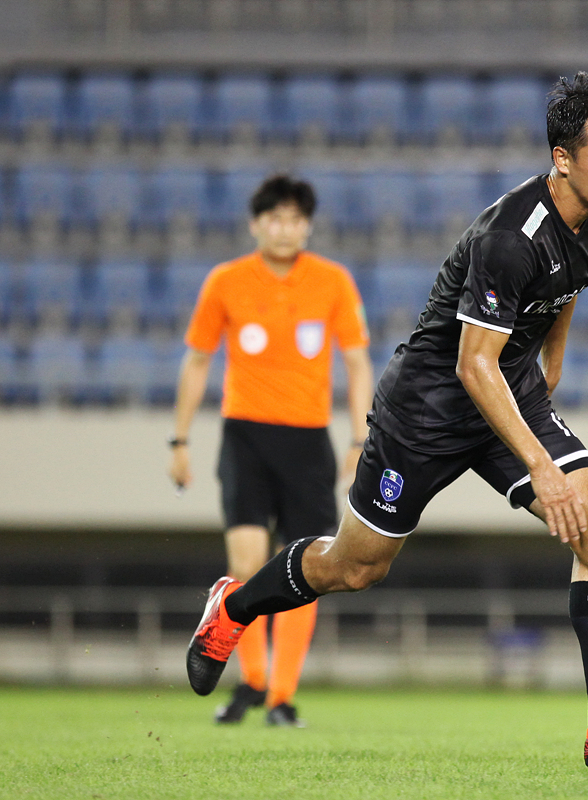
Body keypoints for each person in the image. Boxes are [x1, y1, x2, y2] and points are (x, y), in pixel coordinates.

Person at [184, 73, 588, 771]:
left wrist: (553, 360)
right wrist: (541, 467)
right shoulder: (509, 238)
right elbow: (472, 365)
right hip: (428, 409)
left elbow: (568, 284)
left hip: (510, 392)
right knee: (356, 567)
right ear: (562, 158)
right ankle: (236, 607)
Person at [169, 175, 374, 727]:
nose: (285, 229)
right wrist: (179, 440)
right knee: (246, 563)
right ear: (255, 224)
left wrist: (360, 438)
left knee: (307, 568)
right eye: (275, 218)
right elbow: (197, 360)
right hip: (245, 437)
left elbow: (357, 364)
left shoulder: (332, 281)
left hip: (308, 441)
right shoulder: (226, 281)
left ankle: (281, 697)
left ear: (308, 226)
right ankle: (253, 682)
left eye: (295, 219)